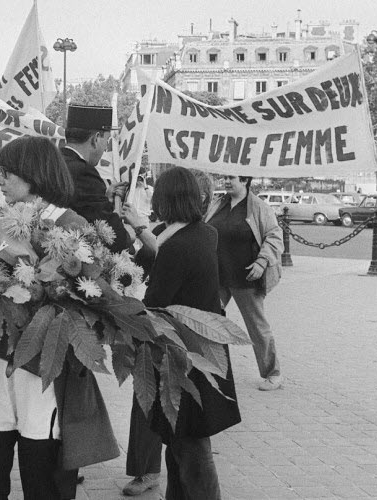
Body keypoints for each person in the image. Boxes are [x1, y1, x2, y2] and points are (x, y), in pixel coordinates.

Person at [0, 135, 119, 500]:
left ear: (32, 174)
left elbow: (93, 293)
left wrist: (53, 283)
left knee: (43, 482)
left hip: (44, 373)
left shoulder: (71, 223)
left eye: (5, 172)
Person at [121, 167, 241, 499]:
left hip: (182, 357)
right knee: (180, 445)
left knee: (190, 449)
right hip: (201, 351)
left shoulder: (178, 246)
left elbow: (155, 304)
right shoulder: (203, 233)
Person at [205, 175, 284, 391]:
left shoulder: (258, 207)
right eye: (225, 178)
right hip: (218, 276)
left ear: (245, 181)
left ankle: (273, 373)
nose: (227, 182)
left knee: (257, 326)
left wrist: (262, 261)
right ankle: (208, 369)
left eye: (232, 178)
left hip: (247, 277)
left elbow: (275, 235)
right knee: (208, 320)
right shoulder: (217, 204)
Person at [61, 104, 132, 254]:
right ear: (96, 138)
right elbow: (115, 238)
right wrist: (132, 233)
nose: (105, 149)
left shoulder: (52, 161)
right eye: (106, 142)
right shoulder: (84, 172)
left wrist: (105, 199)